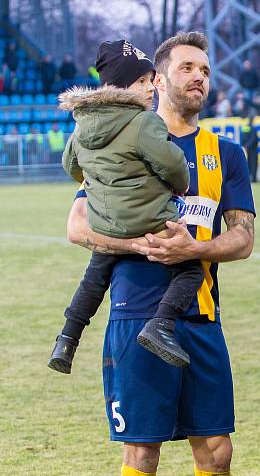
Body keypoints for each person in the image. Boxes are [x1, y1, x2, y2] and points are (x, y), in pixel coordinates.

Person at [65, 31, 255, 476]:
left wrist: (194, 250)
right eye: (187, 68)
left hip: (201, 316)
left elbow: (243, 238)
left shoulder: (226, 153)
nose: (199, 78)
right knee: (143, 449)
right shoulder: (118, 141)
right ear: (157, 78)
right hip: (135, 316)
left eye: (206, 71)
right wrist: (140, 244)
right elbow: (76, 226)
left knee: (217, 449)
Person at [48, 40, 203, 373]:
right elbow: (172, 166)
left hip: (106, 225)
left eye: (151, 81)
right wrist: (180, 184)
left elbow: (71, 166)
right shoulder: (144, 122)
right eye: (142, 82)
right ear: (120, 86)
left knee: (94, 277)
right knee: (191, 268)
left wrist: (98, 180)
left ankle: (67, 338)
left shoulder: (82, 125)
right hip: (149, 220)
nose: (150, 89)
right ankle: (161, 325)